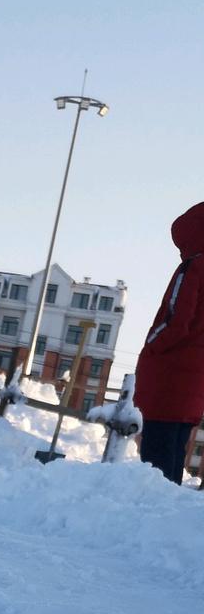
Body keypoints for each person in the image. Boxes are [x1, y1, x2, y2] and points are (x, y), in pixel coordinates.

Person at [134, 201, 204, 484]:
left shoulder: (194, 266)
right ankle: (163, 521)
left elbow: (176, 318)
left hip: (169, 378)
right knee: (174, 458)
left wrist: (151, 346)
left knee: (155, 465)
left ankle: (146, 522)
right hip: (194, 385)